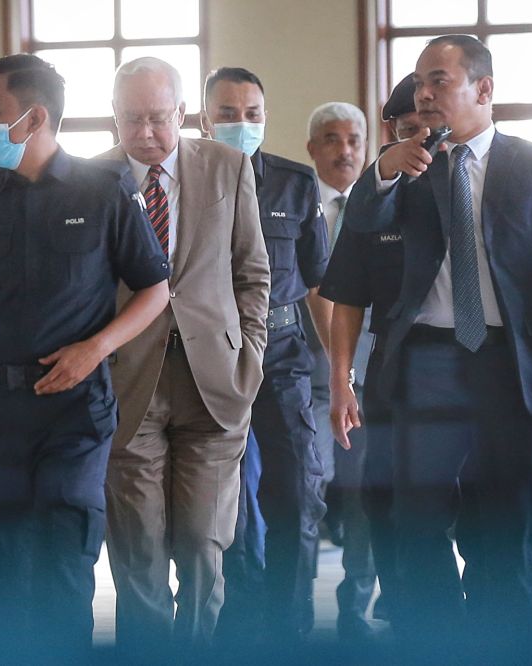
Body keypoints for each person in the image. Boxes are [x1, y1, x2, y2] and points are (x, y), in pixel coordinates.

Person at [342, 34, 532, 659]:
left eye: (438, 80)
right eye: (418, 81)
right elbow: (360, 231)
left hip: (514, 369)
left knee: (509, 533)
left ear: (484, 90)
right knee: (415, 527)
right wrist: (382, 169)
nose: (424, 93)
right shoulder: (408, 166)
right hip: (422, 365)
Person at [0, 53, 169, 657]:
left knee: (62, 556)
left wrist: (95, 348)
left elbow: (156, 287)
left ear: (35, 115)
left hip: (74, 409)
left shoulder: (103, 190)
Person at [99, 56, 270, 652]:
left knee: (202, 544)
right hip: (128, 384)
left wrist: (250, 354)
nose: (145, 133)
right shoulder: (95, 180)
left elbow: (253, 273)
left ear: (183, 114)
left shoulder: (227, 167)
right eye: (131, 119)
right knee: (138, 551)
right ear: (114, 118)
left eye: (157, 118)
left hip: (217, 382)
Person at [199, 66, 331, 648]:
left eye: (251, 113)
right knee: (222, 497)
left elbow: (323, 286)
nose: (240, 123)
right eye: (227, 113)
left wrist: (342, 372)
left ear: (265, 117)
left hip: (281, 353)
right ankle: (238, 616)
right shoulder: (182, 180)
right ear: (204, 119)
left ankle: (291, 620)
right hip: (211, 355)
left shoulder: (296, 183)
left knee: (298, 488)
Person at [321, 73, 419, 633]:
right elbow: (347, 296)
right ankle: (375, 601)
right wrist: (343, 379)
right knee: (374, 498)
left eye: (426, 128)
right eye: (404, 131)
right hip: (375, 368)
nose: (416, 142)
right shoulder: (372, 198)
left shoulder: (468, 184)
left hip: (474, 368)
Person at [305, 100, 378, 639]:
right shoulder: (295, 205)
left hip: (373, 380)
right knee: (303, 499)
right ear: (312, 150)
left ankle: (355, 610)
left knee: (363, 503)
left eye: (354, 139)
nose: (345, 150)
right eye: (331, 139)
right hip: (304, 380)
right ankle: (294, 619)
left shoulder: (384, 206)